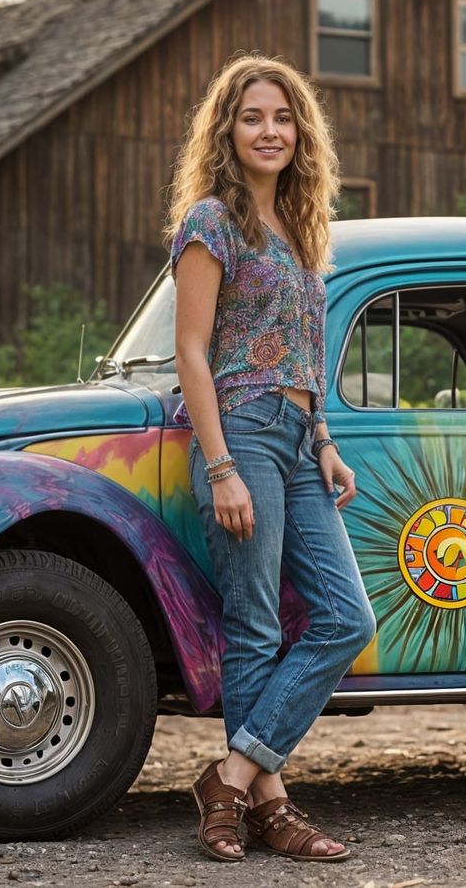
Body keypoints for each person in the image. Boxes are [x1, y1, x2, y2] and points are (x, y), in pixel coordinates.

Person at [165, 53, 375, 863]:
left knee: (346, 619)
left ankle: (229, 779)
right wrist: (220, 466)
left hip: (296, 440)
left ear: (300, 132)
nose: (269, 131)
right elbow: (191, 350)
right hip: (242, 430)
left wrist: (324, 440)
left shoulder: (301, 227)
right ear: (228, 130)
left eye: (283, 118)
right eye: (253, 117)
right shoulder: (211, 221)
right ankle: (271, 808)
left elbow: (305, 354)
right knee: (253, 626)